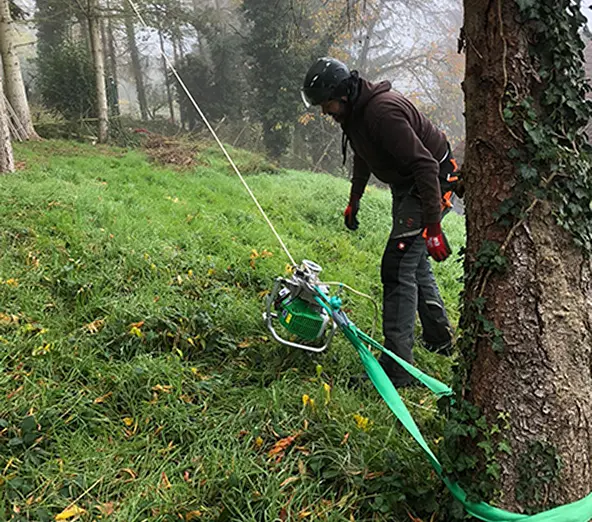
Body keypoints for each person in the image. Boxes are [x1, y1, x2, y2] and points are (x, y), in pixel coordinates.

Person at [301, 57, 460, 388]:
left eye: (326, 103)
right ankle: (440, 340)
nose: (324, 111)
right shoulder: (355, 115)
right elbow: (363, 156)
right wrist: (354, 200)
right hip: (406, 183)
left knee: (397, 265)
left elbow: (426, 166)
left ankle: (398, 369)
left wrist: (433, 226)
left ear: (342, 93)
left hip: (430, 182)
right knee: (412, 265)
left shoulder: (382, 113)